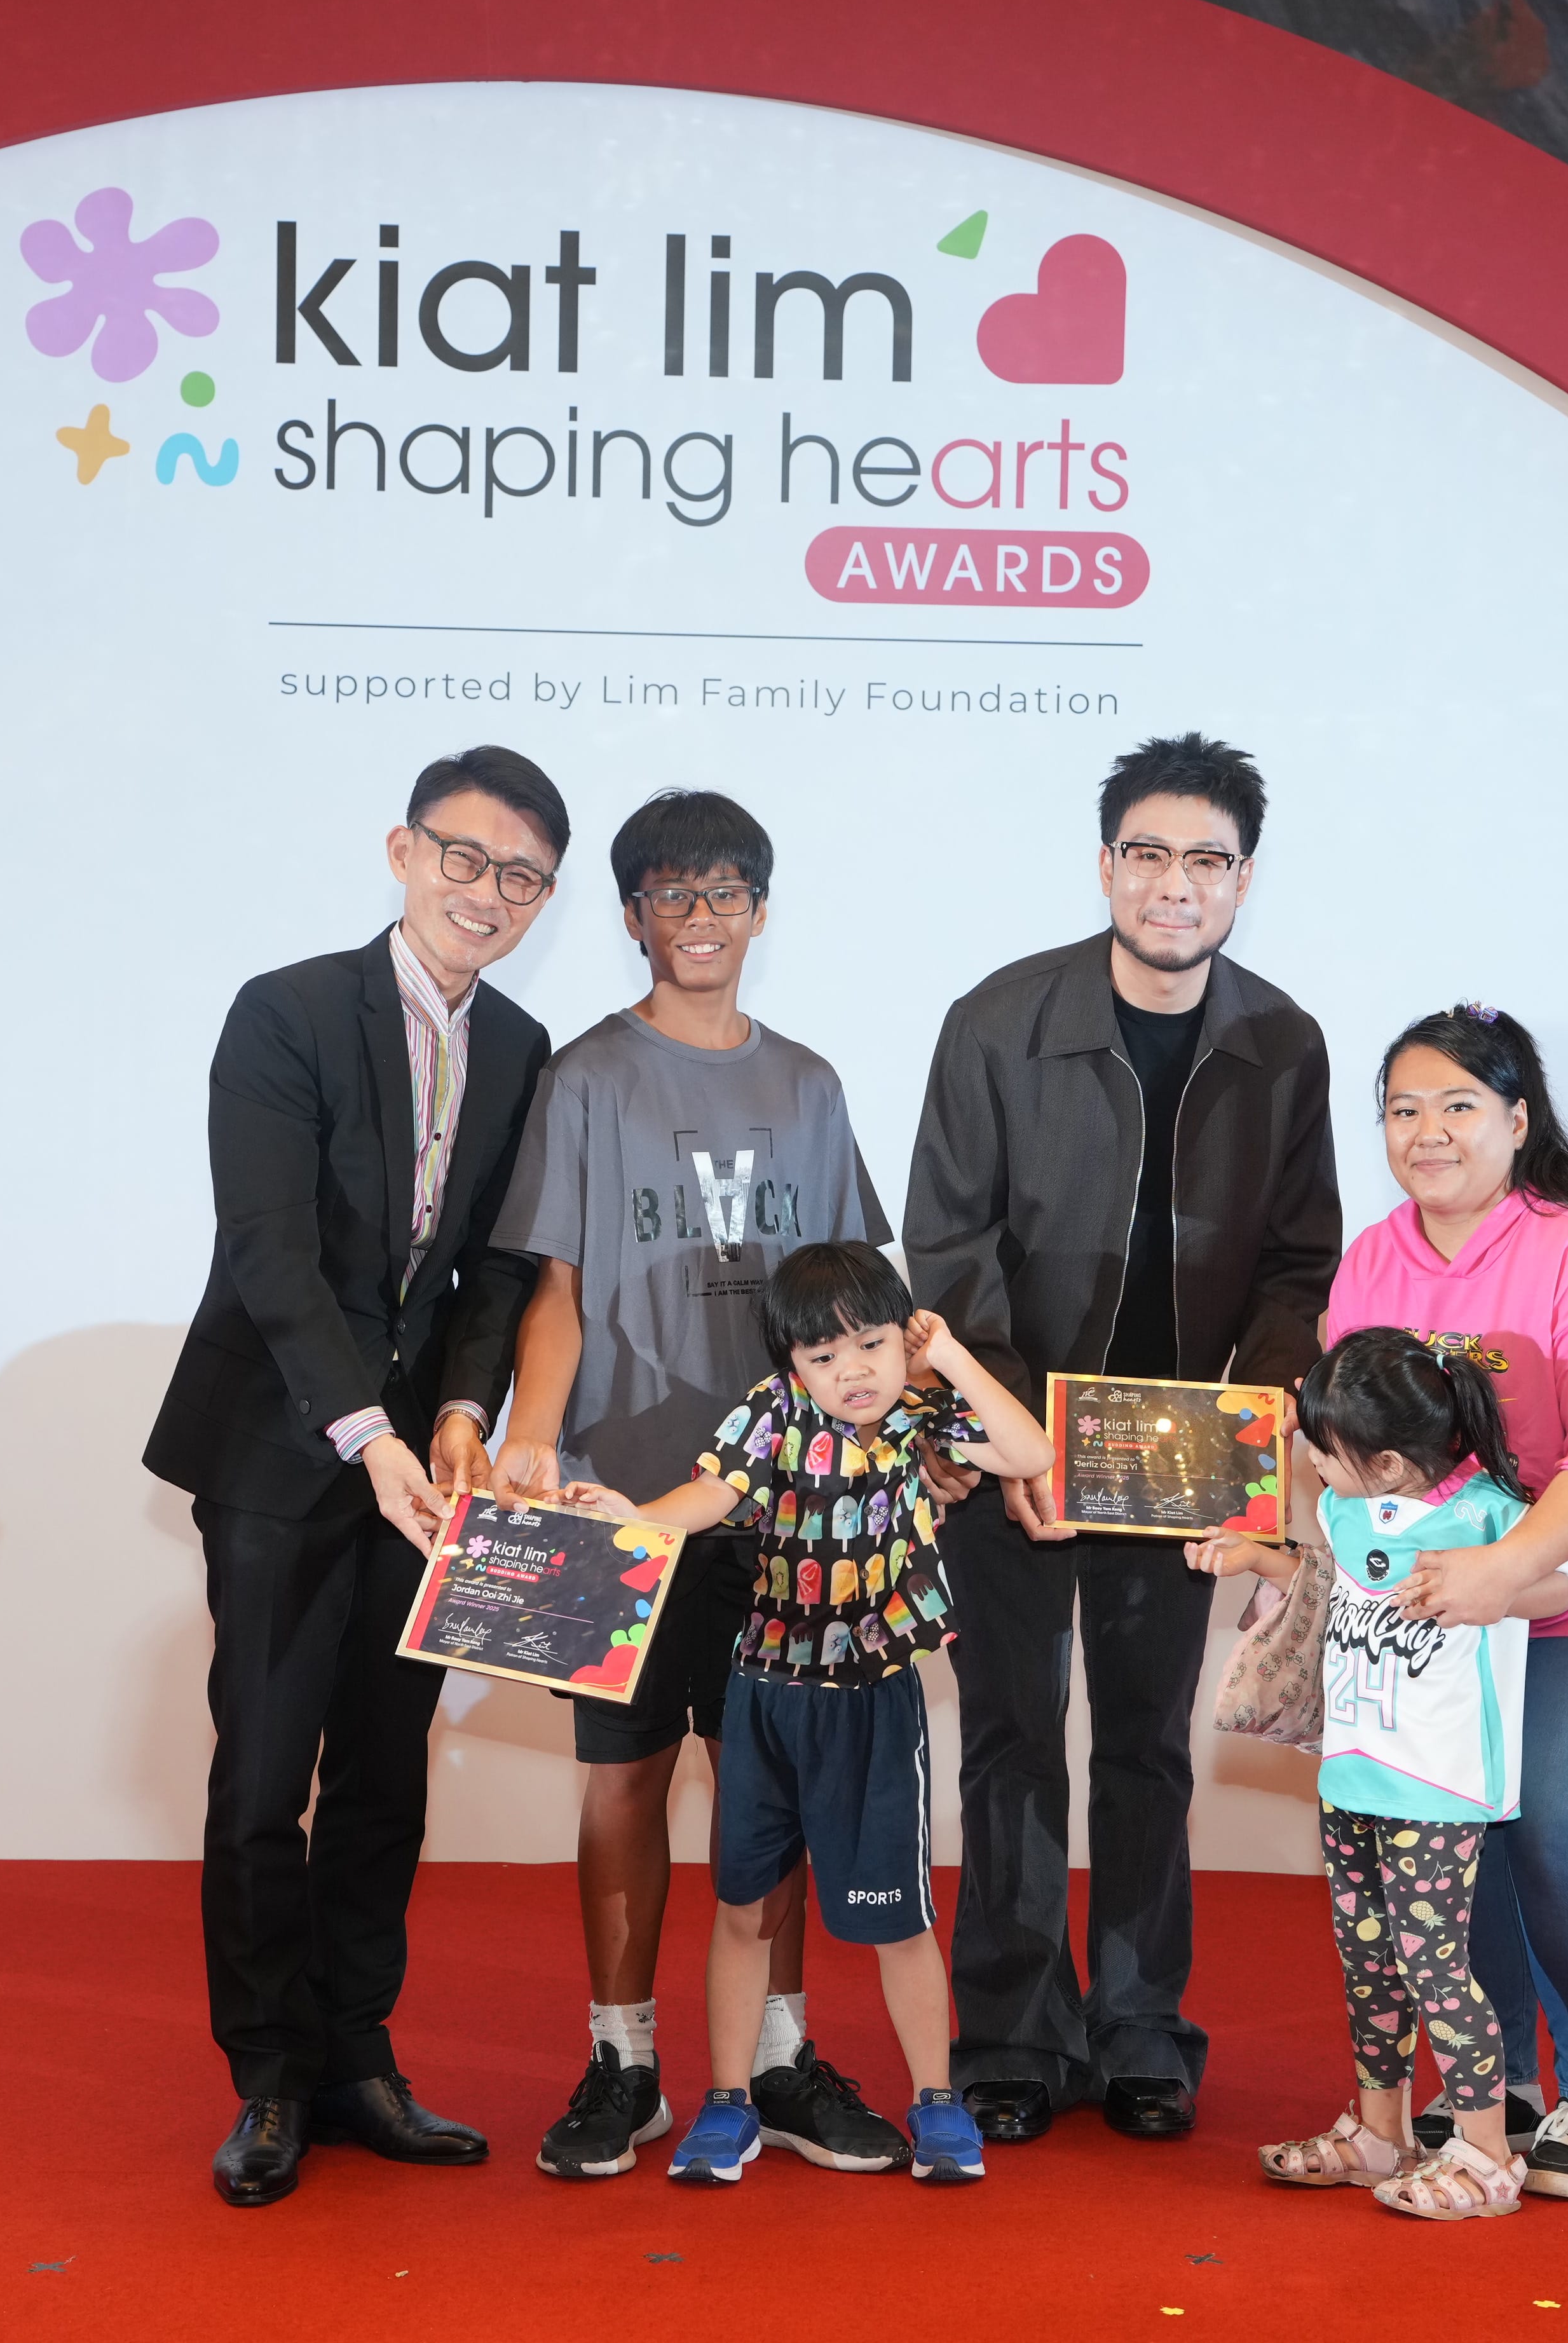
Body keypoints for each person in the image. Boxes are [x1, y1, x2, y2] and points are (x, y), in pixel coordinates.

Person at [139, 747, 569, 2208]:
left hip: (423, 1476)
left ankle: (354, 2058)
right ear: (404, 852)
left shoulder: (523, 1046)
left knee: (387, 1775)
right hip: (282, 1450)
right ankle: (269, 2075)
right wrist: (367, 1433)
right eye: (466, 858)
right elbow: (266, 1249)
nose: (487, 894)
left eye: (522, 878)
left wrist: (458, 1406)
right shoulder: (288, 1011)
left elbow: (496, 1265)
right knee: (266, 1776)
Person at [903, 733, 1342, 2143]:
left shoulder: (1283, 1042)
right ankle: (1014, 2035)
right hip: (1017, 1444)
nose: (1175, 884)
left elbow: (1299, 1265)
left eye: (1207, 860)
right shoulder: (996, 1021)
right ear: (1106, 867)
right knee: (1012, 1743)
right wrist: (1011, 1440)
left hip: (1184, 1453)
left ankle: (1144, 2028)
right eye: (1147, 854)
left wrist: (1252, 1436)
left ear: (1244, 881)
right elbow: (948, 1247)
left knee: (1150, 1747)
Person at [482, 789, 902, 2180]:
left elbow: (860, 1309)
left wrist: (908, 1443)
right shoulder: (587, 1079)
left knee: (765, 1787)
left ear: (761, 913)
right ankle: (624, 2060)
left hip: (785, 1516)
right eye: (673, 894)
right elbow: (554, 1289)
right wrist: (535, 1432)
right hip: (620, 1499)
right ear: (632, 917)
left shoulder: (811, 1087)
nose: (702, 917)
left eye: (726, 893)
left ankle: (776, 2058)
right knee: (621, 1781)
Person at [1319, 1002, 1568, 2202]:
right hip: (1466, 1597)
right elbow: (1346, 1443)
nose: (1428, 1132)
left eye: (1459, 1105)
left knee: (1552, 1825)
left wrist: (1509, 1569)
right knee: (1462, 1830)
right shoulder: (1374, 1259)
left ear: (1516, 1120)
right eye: (1404, 1109)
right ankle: (1494, 2090)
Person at [559, 1241, 1060, 2186]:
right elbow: (711, 1494)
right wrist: (635, 1516)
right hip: (765, 1697)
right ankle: (730, 2102)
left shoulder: (920, 1414)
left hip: (876, 1703)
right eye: (823, 1356)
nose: (852, 1372)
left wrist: (948, 1356)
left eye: (872, 1345)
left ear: (904, 1339)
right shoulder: (770, 1413)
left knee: (900, 1918)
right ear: (791, 1362)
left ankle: (936, 2100)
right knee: (744, 1907)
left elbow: (1031, 1453)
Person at [1187, 1327, 1568, 2222]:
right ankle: (1379, 2136)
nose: (1312, 1463)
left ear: (1390, 1462)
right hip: (1354, 1775)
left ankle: (1484, 2156)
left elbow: (1559, 1586)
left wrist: (1485, 1585)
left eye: (1324, 1449)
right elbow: (1337, 1582)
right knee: (1369, 1964)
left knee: (1435, 1967)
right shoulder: (1347, 1507)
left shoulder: (1489, 1511)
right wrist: (1258, 1558)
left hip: (1436, 1786)